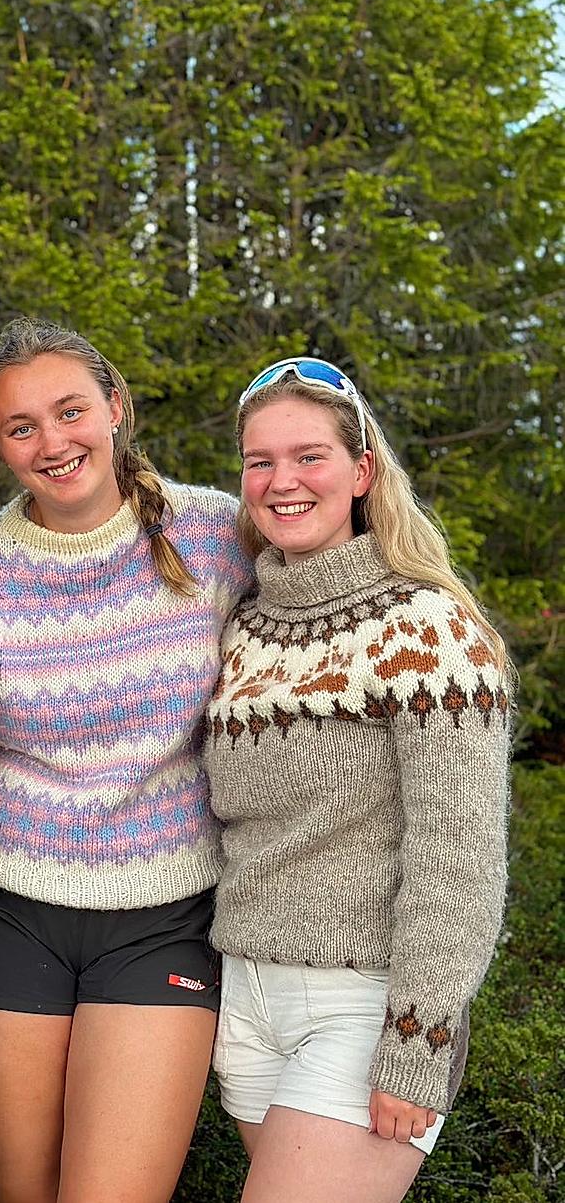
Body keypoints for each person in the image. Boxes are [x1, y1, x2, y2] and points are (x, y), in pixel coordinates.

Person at [0, 317, 250, 1203]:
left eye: (70, 409)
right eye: (21, 426)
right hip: (12, 913)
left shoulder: (215, 536)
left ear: (114, 407)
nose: (53, 441)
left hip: (165, 915)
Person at [204, 357, 512, 1203]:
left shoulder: (426, 624)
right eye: (259, 461)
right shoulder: (241, 624)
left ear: (361, 471)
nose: (281, 480)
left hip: (365, 1006)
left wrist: (418, 1040)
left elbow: (459, 856)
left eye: (309, 456)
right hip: (246, 1004)